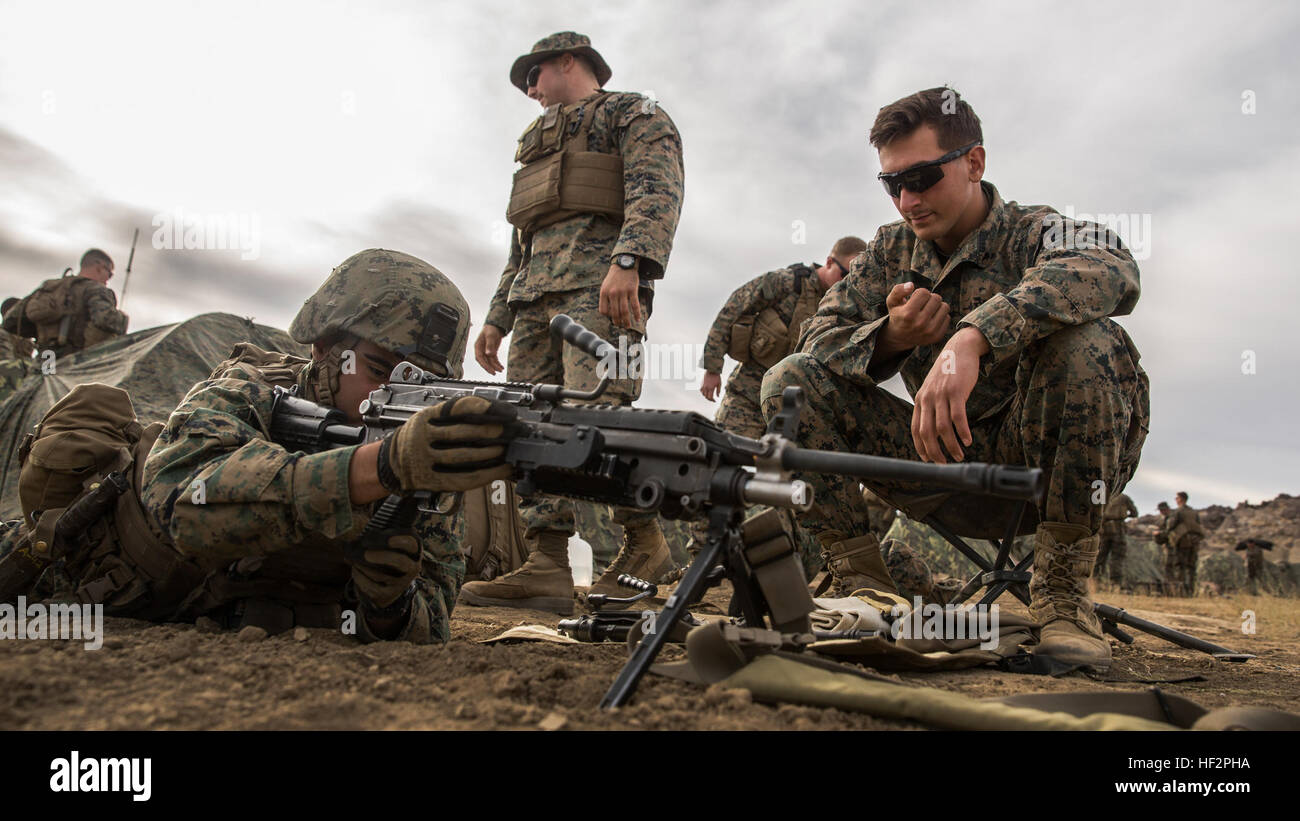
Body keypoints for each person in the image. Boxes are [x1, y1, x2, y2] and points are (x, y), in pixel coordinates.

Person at [761, 87, 1149, 671]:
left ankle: (1064, 597)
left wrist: (974, 335)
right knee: (790, 383)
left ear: (974, 162)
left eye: (921, 177)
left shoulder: (1032, 230)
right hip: (947, 467)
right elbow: (814, 344)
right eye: (892, 184)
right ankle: (867, 586)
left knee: (1087, 341)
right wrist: (892, 338)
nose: (907, 200)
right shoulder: (891, 252)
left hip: (1050, 477)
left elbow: (1112, 266)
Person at [136, 248, 514, 641]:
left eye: (422, 386)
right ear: (322, 346)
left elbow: (432, 624)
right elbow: (183, 505)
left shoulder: (418, 463)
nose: (393, 395)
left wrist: (390, 604)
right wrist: (374, 469)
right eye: (379, 369)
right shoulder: (245, 392)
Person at [464, 32, 685, 615]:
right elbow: (524, 239)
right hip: (535, 298)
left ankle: (643, 545)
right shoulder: (536, 147)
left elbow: (657, 191)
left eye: (534, 75)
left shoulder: (632, 113)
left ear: (569, 62)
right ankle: (546, 563)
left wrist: (628, 262)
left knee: (600, 419)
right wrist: (496, 314)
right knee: (527, 424)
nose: (530, 90)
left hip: (604, 292)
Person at [18, 249, 129, 357]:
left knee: (47, 375)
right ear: (99, 267)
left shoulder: (50, 287)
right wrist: (123, 319)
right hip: (76, 364)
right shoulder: (96, 290)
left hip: (46, 358)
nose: (108, 279)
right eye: (109, 274)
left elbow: (12, 321)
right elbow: (104, 319)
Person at [1165, 491, 1205, 596]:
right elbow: (1199, 526)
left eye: (1177, 498)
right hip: (1194, 542)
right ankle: (1191, 592)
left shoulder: (1178, 512)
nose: (1175, 500)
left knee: (1180, 566)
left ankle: (1180, 592)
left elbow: (1170, 526)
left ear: (1181, 499)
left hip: (1182, 542)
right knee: (1191, 568)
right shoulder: (1194, 512)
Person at [1097, 490, 1138, 588]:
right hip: (1118, 529)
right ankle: (1115, 583)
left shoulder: (1101, 495)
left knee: (1100, 557)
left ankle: (1096, 582)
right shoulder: (1124, 498)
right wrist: (1124, 515)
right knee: (1117, 558)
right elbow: (1135, 513)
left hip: (1103, 529)